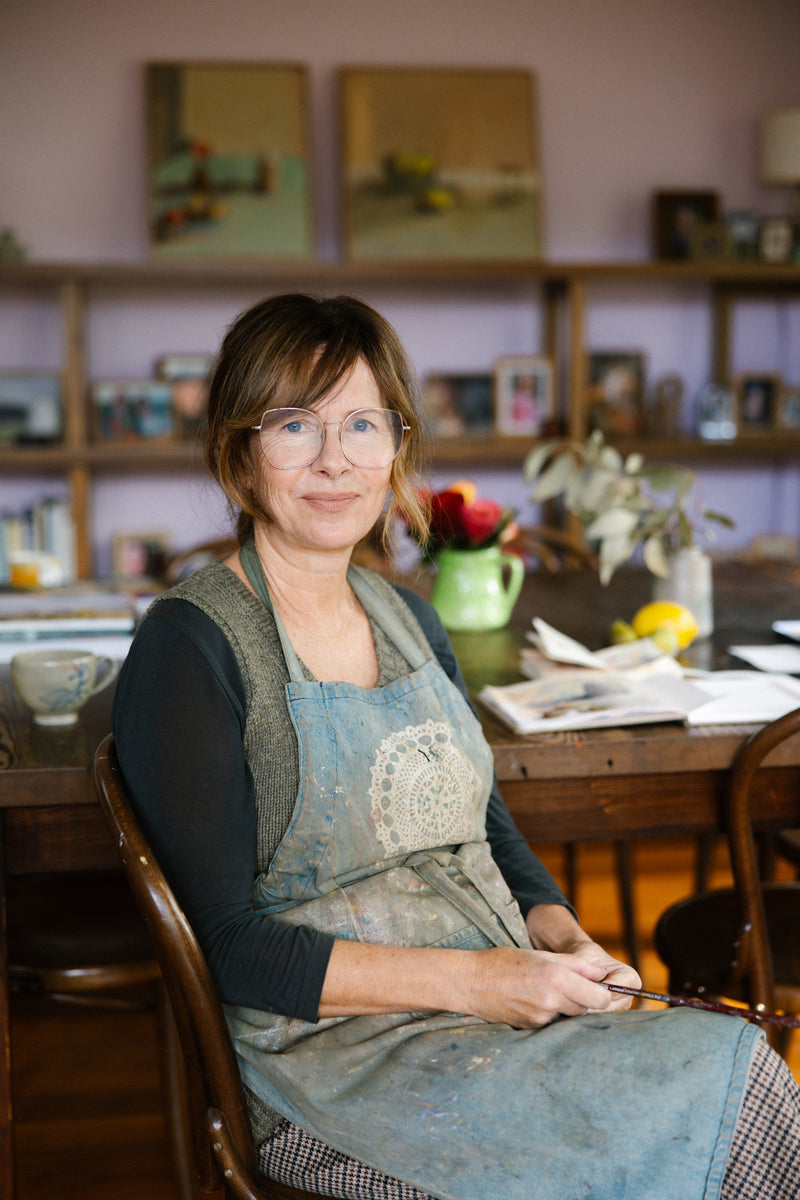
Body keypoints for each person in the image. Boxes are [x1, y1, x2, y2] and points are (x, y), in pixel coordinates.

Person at [113, 293, 800, 1200]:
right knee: (724, 1095)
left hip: (488, 1003)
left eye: (363, 423)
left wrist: (559, 933)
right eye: (295, 425)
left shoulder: (406, 616)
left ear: (396, 444)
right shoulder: (192, 645)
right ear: (241, 449)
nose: (335, 460)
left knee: (737, 1065)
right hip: (332, 1068)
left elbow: (484, 824)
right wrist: (482, 983)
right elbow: (228, 948)